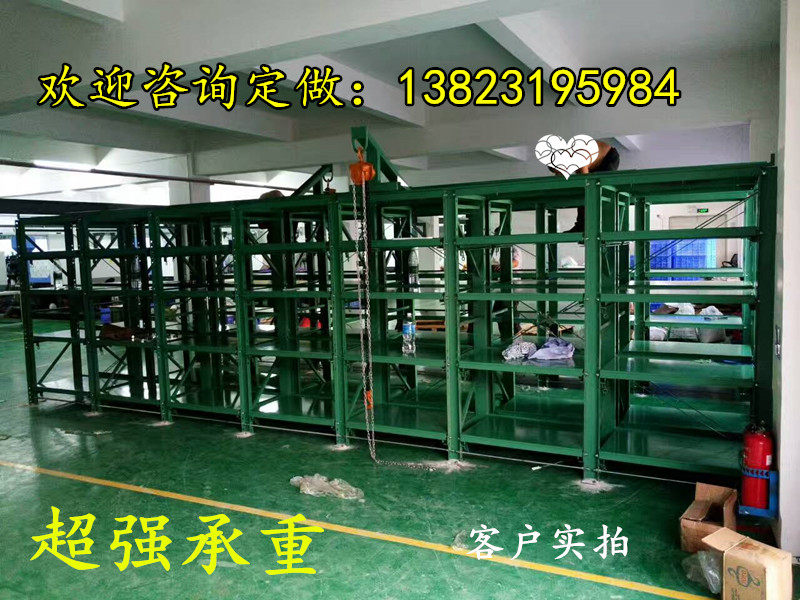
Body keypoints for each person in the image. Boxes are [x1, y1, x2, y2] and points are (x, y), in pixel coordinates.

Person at [549, 140, 620, 233]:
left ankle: (594, 226)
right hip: (594, 163)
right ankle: (581, 225)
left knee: (590, 191)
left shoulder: (579, 159)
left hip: (608, 157)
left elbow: (587, 182)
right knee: (583, 191)